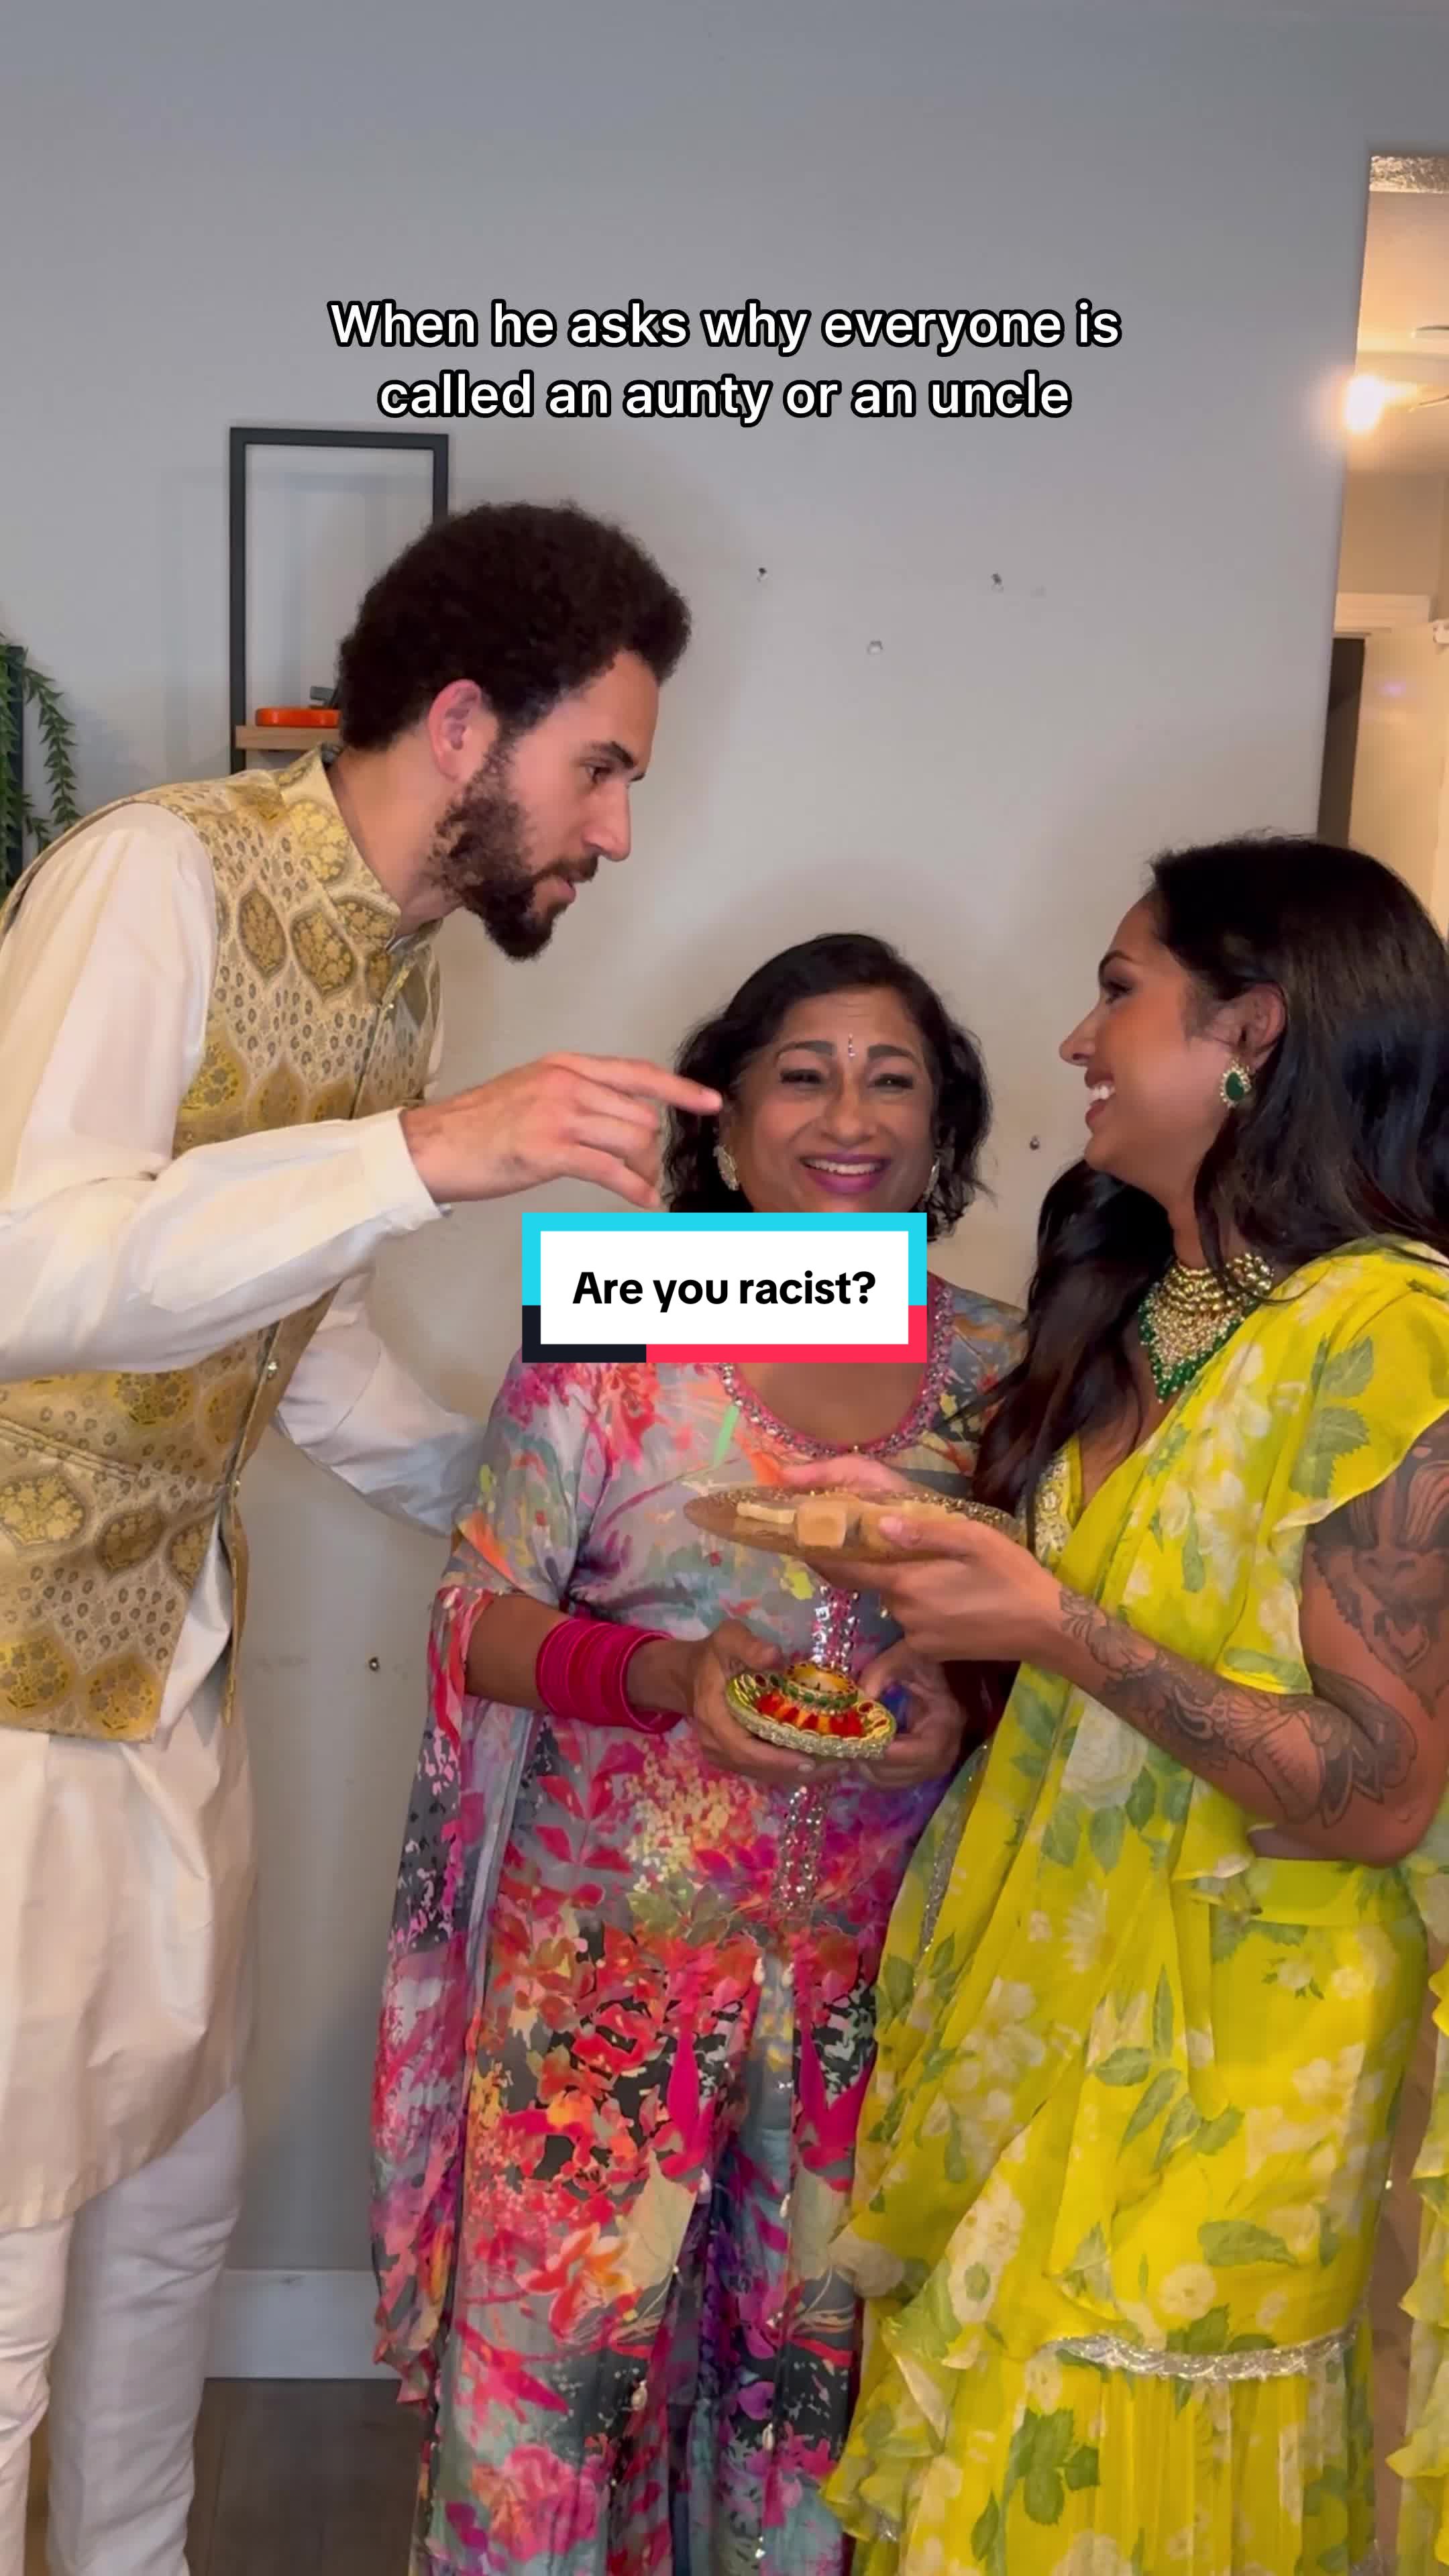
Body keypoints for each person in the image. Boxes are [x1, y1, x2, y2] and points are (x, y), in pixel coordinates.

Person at [0, 500, 719, 2576]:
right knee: (16, 2275)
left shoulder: (400, 984)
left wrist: (569, 1503)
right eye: (603, 768)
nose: (619, 831)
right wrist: (421, 1152)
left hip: (166, 1680)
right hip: (14, 1698)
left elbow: (298, 1358)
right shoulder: (156, 876)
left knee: (171, 2226)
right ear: (468, 725)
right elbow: (32, 1266)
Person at [783, 839, 1449, 2576]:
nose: (1079, 1040)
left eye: (1119, 990)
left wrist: (1055, 1627)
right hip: (1038, 2016)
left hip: (1224, 2079)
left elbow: (1382, 1793)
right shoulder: (1158, 1313)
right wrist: (958, 1589)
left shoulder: (1385, 1332)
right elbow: (1139, 1628)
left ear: (1253, 1030)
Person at [370, 931, 1022, 2575]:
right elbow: (474, 1617)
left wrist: (973, 1703)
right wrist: (666, 1674)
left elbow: (1052, 1651)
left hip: (869, 1998)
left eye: (893, 1080)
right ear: (724, 1127)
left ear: (944, 1129)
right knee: (548, 2424)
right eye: (802, 1075)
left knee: (810, 2424)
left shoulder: (999, 1367)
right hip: (602, 1989)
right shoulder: (628, 1307)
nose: (849, 1116)